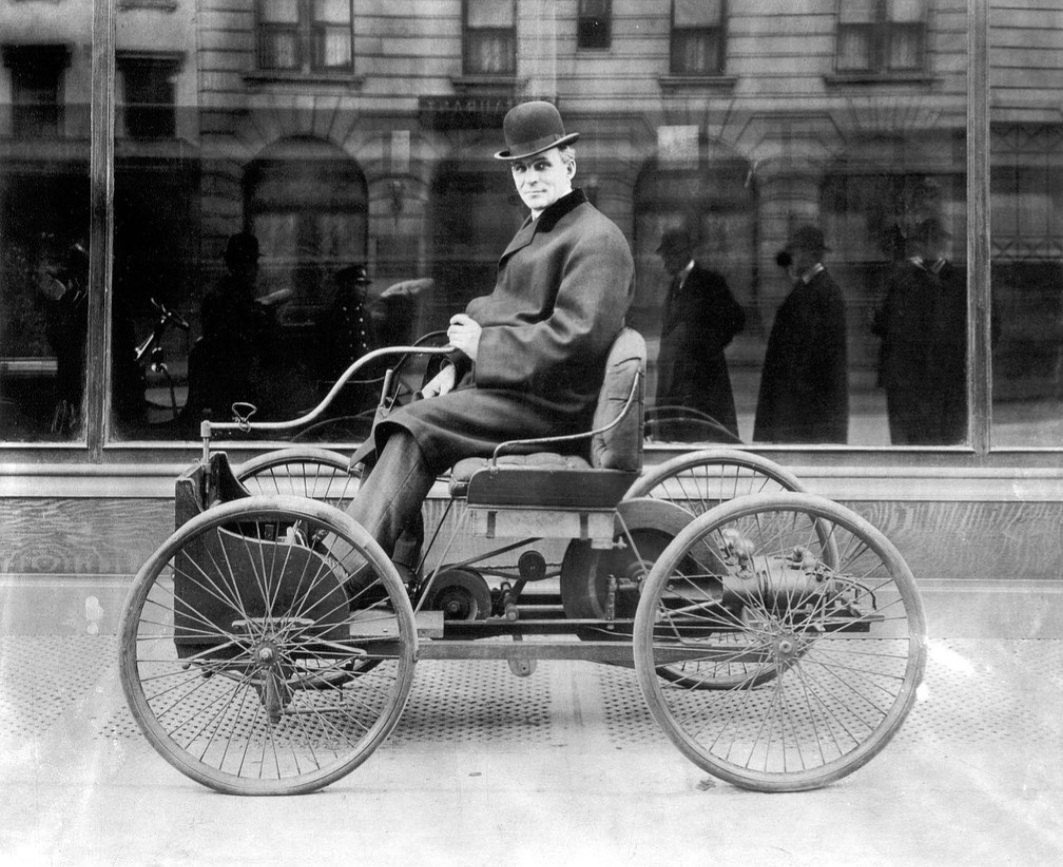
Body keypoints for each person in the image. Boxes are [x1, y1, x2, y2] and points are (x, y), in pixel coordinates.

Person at [342, 100, 635, 581]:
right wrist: (456, 363)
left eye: (541, 165)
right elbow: (499, 307)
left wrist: (485, 350)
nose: (530, 179)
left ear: (569, 164)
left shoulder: (595, 239)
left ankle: (348, 572)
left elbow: (576, 341)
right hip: (523, 392)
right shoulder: (542, 227)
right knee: (407, 410)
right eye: (520, 169)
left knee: (415, 426)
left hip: (555, 409)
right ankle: (390, 566)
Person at [871, 217, 967, 444]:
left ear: (943, 245)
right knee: (908, 444)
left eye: (935, 241)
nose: (928, 246)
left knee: (945, 443)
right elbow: (881, 324)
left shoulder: (959, 281)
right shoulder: (903, 279)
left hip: (946, 380)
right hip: (907, 382)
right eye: (924, 241)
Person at [754, 224, 848, 443]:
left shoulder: (825, 292)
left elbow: (818, 357)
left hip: (807, 406)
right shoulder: (806, 289)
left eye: (795, 253)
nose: (792, 259)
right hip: (798, 404)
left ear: (811, 254)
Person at [653, 226, 745, 440]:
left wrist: (707, 347)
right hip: (677, 379)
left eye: (669, 254)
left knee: (705, 436)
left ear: (684, 254)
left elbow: (737, 320)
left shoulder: (709, 282)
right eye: (664, 254)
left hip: (704, 380)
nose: (665, 260)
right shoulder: (675, 285)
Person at [183, 232, 278, 427]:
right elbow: (235, 342)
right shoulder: (229, 298)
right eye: (252, 263)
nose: (257, 269)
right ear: (242, 266)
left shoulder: (230, 294)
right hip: (233, 380)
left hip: (233, 377)